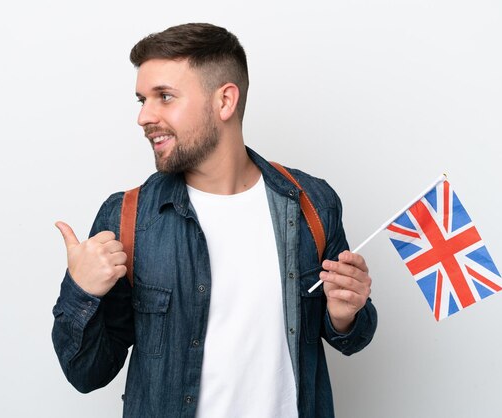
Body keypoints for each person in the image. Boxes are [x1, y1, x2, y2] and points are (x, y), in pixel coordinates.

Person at [52, 23, 377, 418]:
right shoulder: (129, 218)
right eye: (142, 100)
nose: (144, 117)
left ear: (224, 101)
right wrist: (82, 290)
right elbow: (86, 373)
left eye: (164, 97)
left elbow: (349, 337)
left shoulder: (312, 202)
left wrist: (345, 316)